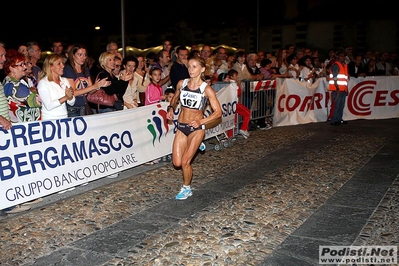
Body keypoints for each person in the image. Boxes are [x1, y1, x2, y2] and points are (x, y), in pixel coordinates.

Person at [166, 56, 222, 200]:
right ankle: (197, 145)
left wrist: (201, 121)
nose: (191, 69)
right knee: (177, 163)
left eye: (194, 66)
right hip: (182, 127)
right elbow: (175, 98)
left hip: (197, 129)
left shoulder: (206, 89)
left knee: (185, 162)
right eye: (189, 66)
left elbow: (218, 113)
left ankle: (186, 188)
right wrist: (171, 108)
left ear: (202, 69)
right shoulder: (181, 83)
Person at [0, 42, 31, 214]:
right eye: (2, 56)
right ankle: (8, 203)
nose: (4, 59)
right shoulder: (10, 83)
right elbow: (28, 100)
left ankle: (13, 199)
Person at [63, 43, 110, 117]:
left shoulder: (85, 69)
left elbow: (90, 91)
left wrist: (98, 86)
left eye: (85, 55)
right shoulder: (68, 69)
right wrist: (94, 86)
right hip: (73, 108)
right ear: (73, 55)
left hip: (84, 106)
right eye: (80, 54)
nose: (83, 57)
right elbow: (73, 93)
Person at [3, 49, 42, 123]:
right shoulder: (15, 86)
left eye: (24, 64)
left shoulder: (7, 81)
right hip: (25, 126)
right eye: (21, 65)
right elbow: (36, 102)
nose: (25, 67)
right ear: (11, 68)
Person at [37, 54, 75, 120]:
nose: (63, 66)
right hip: (49, 120)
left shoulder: (64, 80)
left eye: (62, 63)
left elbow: (72, 103)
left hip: (64, 117)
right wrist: (66, 97)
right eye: (59, 64)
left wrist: (70, 97)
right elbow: (49, 106)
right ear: (50, 66)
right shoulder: (43, 83)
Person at [226, 69, 251, 139]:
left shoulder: (228, 83)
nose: (237, 77)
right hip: (234, 103)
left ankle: (230, 135)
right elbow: (239, 92)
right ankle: (243, 128)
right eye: (236, 76)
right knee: (247, 113)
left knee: (233, 119)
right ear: (232, 76)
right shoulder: (233, 84)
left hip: (230, 104)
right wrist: (239, 84)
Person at [328, 49, 349, 126]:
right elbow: (335, 77)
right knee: (337, 105)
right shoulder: (336, 65)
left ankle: (339, 119)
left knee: (341, 105)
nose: (343, 58)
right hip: (337, 89)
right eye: (341, 56)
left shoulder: (344, 65)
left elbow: (345, 79)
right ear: (338, 57)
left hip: (342, 89)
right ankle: (334, 119)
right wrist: (337, 88)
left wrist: (346, 89)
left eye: (344, 56)